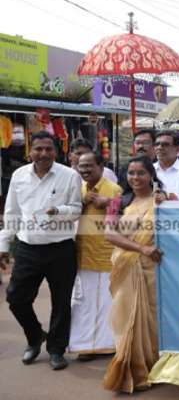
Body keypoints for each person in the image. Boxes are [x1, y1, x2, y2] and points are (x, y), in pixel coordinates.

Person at [0, 131, 82, 370]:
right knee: (16, 298)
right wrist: (3, 244)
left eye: (48, 149)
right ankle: (35, 335)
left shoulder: (69, 175)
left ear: (56, 151)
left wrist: (57, 211)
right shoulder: (19, 176)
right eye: (38, 149)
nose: (43, 153)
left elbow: (76, 209)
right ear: (30, 151)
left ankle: (56, 349)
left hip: (61, 248)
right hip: (28, 248)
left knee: (61, 303)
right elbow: (12, 212)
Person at [103, 156, 175, 392]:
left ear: (151, 176)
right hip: (126, 265)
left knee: (152, 319)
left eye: (141, 173)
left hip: (156, 268)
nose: (135, 178)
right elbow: (110, 234)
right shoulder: (119, 202)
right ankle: (132, 369)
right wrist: (142, 248)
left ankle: (154, 367)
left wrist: (165, 206)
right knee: (127, 317)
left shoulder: (165, 200)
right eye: (131, 173)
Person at [70, 152, 123, 361]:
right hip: (83, 253)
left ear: (101, 167)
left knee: (106, 303)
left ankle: (106, 345)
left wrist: (110, 203)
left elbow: (126, 218)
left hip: (105, 255)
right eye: (81, 166)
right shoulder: (78, 189)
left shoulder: (114, 189)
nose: (84, 170)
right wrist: (81, 202)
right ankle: (85, 344)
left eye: (89, 165)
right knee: (83, 303)